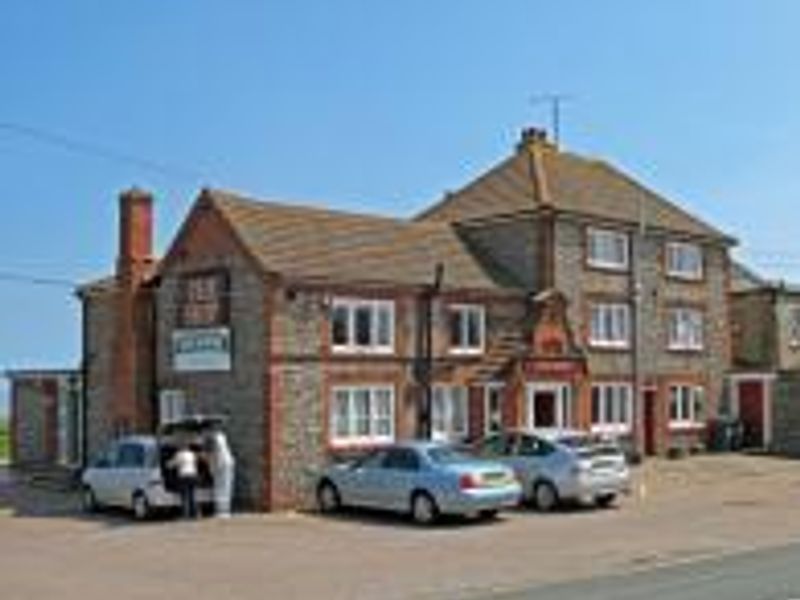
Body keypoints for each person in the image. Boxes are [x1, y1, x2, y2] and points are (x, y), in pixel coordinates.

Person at [208, 430, 235, 518]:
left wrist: (212, 469)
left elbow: (214, 459)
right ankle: (224, 510)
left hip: (222, 467)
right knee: (225, 489)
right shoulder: (223, 447)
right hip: (225, 466)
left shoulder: (218, 446)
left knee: (221, 489)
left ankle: (221, 511)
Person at [169, 442, 199, 519]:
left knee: (184, 496)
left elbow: (173, 464)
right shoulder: (192, 454)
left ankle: (185, 515)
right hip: (193, 475)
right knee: (192, 496)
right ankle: (195, 514)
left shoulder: (179, 454)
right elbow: (195, 463)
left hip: (184, 476)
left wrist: (167, 464)